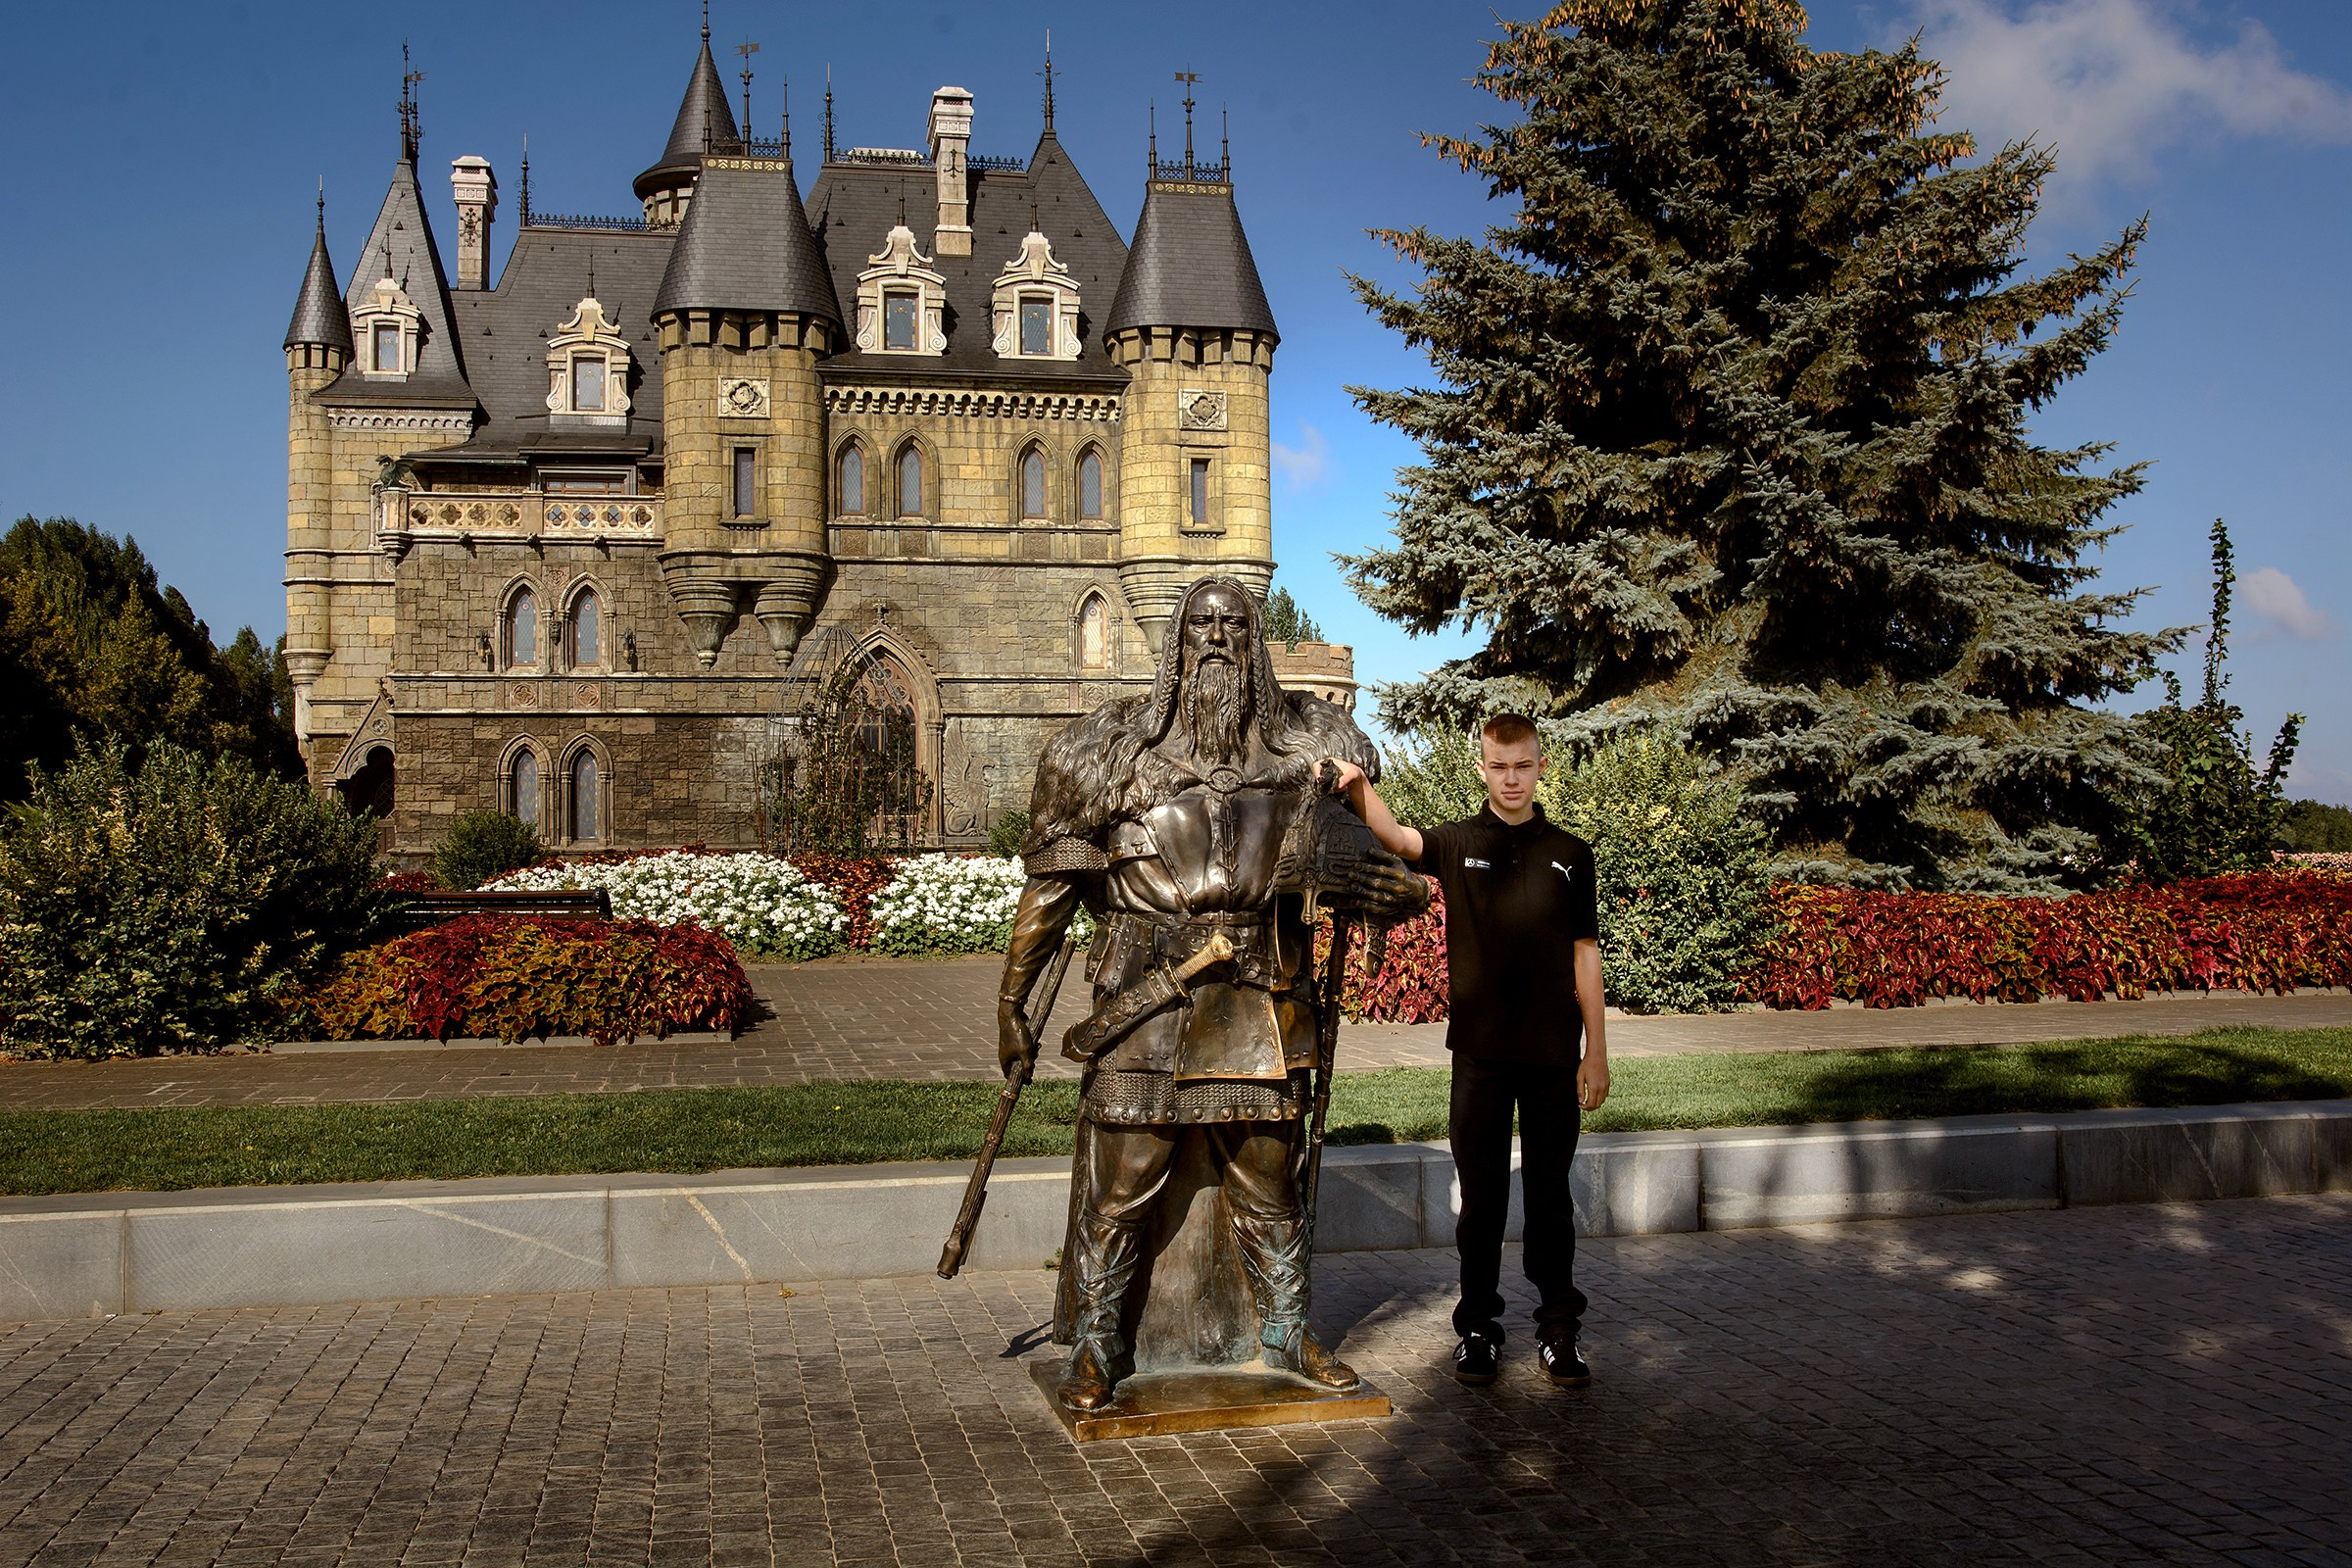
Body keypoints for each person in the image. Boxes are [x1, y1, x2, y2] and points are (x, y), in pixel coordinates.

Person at [998, 577, 1429, 1411]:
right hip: (1148, 1000)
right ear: (1177, 642)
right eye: (1202, 623)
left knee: (1270, 1183)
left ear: (1256, 642)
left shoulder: (1305, 755)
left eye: (1235, 623)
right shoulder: (1110, 754)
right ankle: (1098, 1343)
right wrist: (1010, 1002)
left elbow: (1381, 873)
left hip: (1262, 998)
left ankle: (1287, 1331)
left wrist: (1372, 885)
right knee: (1124, 1184)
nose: (1218, 637)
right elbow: (1051, 890)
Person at [1325, 714, 1609, 1387]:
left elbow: (1586, 955)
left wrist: (1596, 1050)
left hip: (1552, 1055)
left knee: (1550, 1200)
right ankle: (1478, 1329)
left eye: (1523, 766)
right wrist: (1359, 785)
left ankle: (1559, 1332)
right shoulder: (1459, 843)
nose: (1511, 779)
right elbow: (1398, 838)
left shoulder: (1572, 854)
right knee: (1481, 1201)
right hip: (1480, 1055)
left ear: (1540, 768)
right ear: (1481, 769)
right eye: (1499, 767)